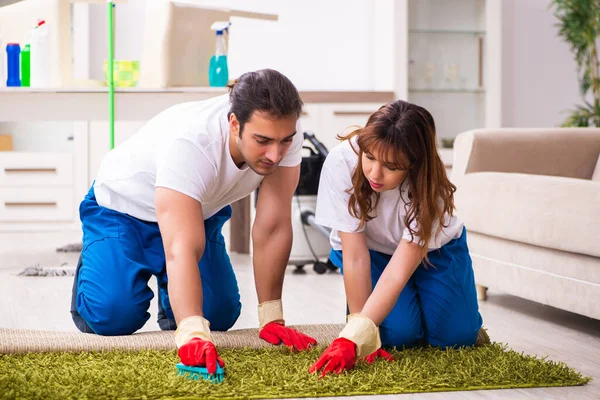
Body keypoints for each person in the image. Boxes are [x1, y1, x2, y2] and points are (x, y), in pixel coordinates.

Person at [70, 69, 317, 374]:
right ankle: (101, 261)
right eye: (263, 141)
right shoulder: (193, 142)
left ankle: (170, 291)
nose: (275, 154)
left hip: (196, 213)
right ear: (234, 123)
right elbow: (181, 247)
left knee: (219, 315)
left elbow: (274, 224)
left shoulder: (284, 130)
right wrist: (192, 334)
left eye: (284, 142)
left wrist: (271, 315)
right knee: (112, 316)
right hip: (122, 211)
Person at [309, 100, 483, 376]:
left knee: (456, 339)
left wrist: (357, 333)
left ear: (414, 166)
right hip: (370, 252)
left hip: (434, 253)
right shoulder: (342, 161)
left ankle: (447, 310)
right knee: (400, 335)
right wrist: (358, 334)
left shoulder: (430, 190)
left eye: (391, 167)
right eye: (369, 158)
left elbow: (399, 271)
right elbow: (354, 256)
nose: (374, 174)